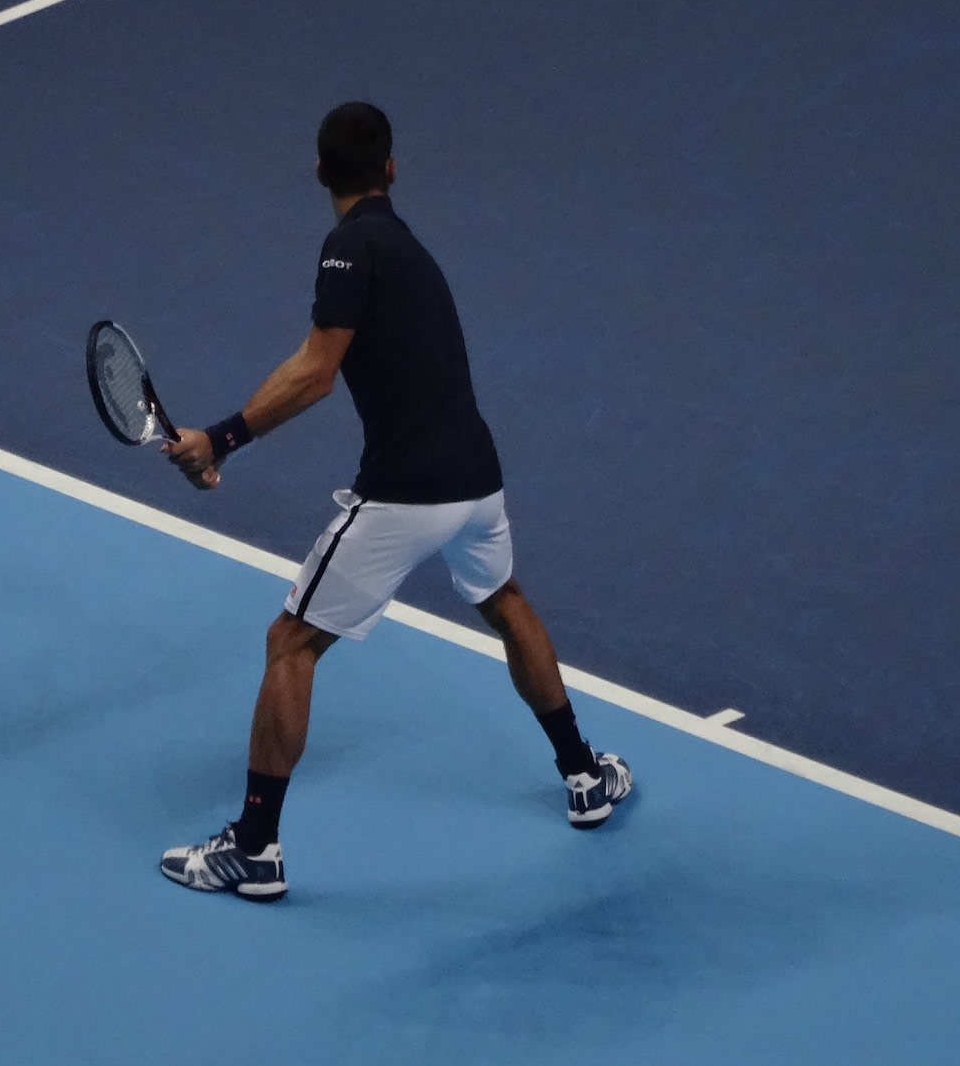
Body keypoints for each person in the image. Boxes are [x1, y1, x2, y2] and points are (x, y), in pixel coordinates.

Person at [157, 101, 631, 902]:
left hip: (407, 491)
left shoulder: (349, 248)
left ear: (318, 173)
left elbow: (316, 369)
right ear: (391, 168)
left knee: (290, 644)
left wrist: (222, 438)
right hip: (477, 480)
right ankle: (585, 774)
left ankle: (255, 847)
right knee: (504, 598)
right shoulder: (406, 245)